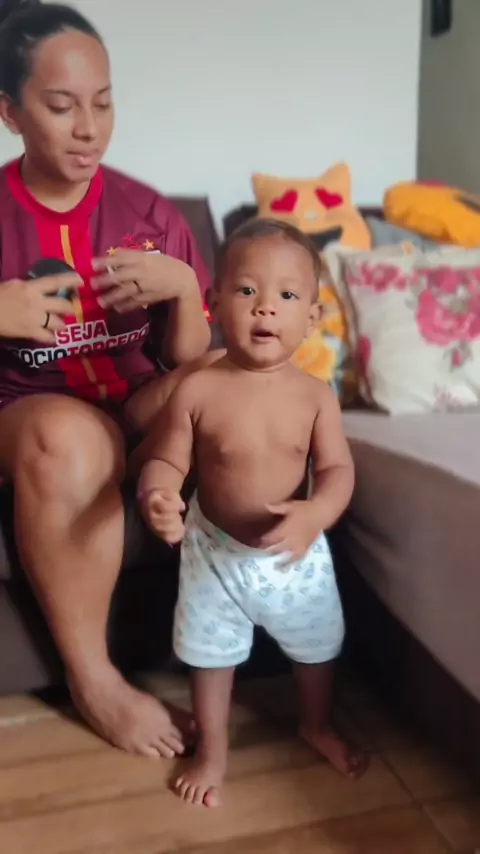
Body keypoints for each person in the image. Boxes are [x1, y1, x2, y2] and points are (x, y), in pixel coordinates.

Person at [0, 0, 211, 759]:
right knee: (72, 439)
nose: (88, 128)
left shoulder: (147, 212)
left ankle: (251, 633)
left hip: (136, 407)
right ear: (10, 113)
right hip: (35, 418)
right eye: (61, 106)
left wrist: (183, 289)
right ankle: (94, 680)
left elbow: (191, 358)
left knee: (238, 384)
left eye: (103, 102)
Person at [138, 219, 368, 807]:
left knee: (317, 650)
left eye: (286, 295)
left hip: (294, 553)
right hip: (215, 553)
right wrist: (157, 495)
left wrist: (316, 513)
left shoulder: (315, 396)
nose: (265, 307)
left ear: (312, 318)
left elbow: (338, 470)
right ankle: (212, 752)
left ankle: (314, 724)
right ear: (214, 303)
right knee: (210, 660)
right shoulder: (197, 389)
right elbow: (166, 459)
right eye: (246, 290)